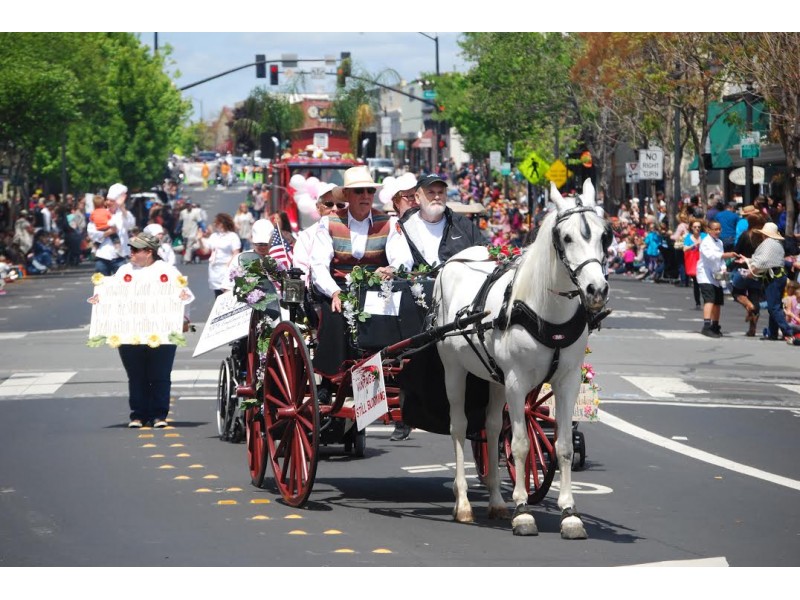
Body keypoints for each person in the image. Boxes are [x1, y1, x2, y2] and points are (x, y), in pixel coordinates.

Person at [309, 166, 413, 375]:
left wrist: (392, 269)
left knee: (397, 313)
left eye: (370, 191)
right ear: (347, 195)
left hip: (375, 288)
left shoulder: (389, 223)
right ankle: (332, 376)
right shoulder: (328, 223)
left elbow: (404, 258)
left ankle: (388, 371)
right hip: (338, 287)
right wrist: (334, 292)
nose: (365, 196)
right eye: (359, 191)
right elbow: (319, 264)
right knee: (336, 315)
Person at [91, 231, 195, 428]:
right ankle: (138, 414)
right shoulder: (123, 272)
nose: (131, 252)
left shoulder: (168, 271)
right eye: (130, 249)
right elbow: (110, 297)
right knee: (136, 375)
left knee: (160, 375)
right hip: (131, 332)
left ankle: (159, 415)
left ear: (148, 252)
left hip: (162, 332)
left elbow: (184, 296)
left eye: (136, 249)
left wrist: (184, 318)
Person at [399, 174, 485, 270]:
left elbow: (483, 251)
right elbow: (400, 262)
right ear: (417, 198)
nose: (437, 197)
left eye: (440, 192)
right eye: (431, 192)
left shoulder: (462, 225)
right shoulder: (404, 227)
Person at [742, 222, 794, 343]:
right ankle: (772, 333)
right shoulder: (777, 244)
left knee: (773, 307)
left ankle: (788, 332)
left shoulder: (768, 244)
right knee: (775, 305)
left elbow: (762, 261)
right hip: (779, 276)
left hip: (773, 277)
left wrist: (752, 271)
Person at [696, 221, 740, 337]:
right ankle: (706, 326)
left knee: (718, 301)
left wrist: (723, 268)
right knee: (709, 299)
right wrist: (727, 255)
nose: (718, 232)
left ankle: (715, 325)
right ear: (709, 230)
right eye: (715, 229)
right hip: (705, 274)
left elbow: (720, 260)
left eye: (719, 229)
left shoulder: (720, 242)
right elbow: (711, 256)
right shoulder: (705, 242)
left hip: (716, 275)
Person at [292, 182, 342, 282]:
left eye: (340, 205)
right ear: (318, 207)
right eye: (329, 204)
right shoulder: (306, 236)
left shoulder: (353, 232)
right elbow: (302, 272)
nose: (335, 209)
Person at [88, 183, 135, 276]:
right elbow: (91, 232)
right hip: (102, 255)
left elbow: (131, 225)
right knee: (102, 286)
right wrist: (109, 232)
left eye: (112, 201)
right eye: (107, 200)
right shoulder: (99, 213)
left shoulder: (123, 214)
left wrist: (122, 208)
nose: (108, 203)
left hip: (120, 256)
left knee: (122, 286)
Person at [205, 213, 241, 297]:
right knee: (217, 295)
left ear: (222, 223)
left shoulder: (232, 236)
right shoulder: (214, 236)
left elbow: (236, 252)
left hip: (226, 268)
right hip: (214, 270)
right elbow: (205, 251)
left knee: (226, 294)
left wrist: (230, 265)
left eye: (216, 222)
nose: (214, 224)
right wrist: (199, 239)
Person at [682, 220, 706, 310]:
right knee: (696, 282)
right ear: (691, 228)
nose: (697, 229)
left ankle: (706, 301)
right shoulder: (688, 237)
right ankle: (698, 302)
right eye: (695, 227)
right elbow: (685, 249)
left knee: (704, 283)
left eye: (699, 227)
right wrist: (694, 245)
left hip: (703, 261)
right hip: (694, 262)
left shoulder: (704, 236)